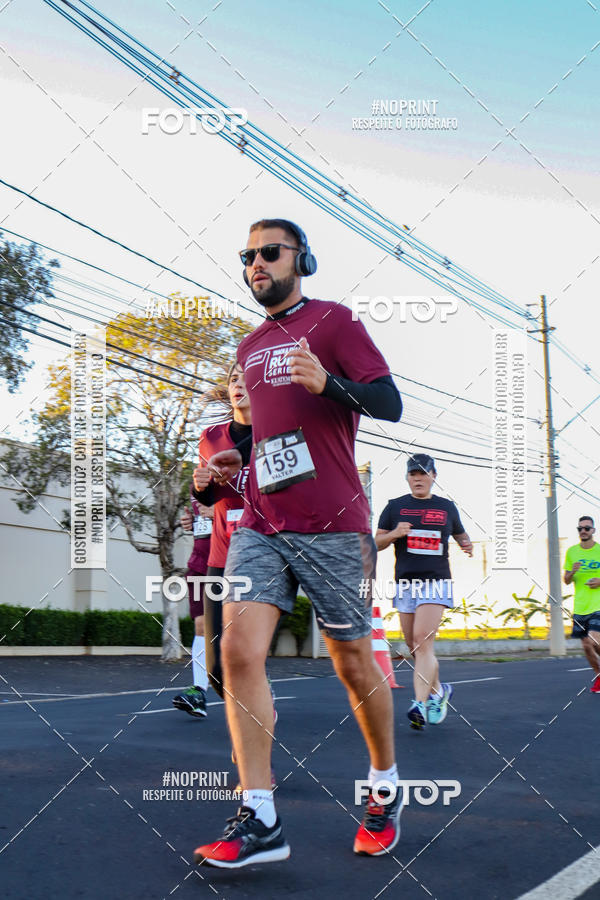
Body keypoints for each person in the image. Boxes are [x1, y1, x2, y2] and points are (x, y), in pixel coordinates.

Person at [193, 218, 403, 869]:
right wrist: (231, 463)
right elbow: (264, 440)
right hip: (261, 524)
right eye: (247, 254)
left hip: (333, 523)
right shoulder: (249, 345)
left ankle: (386, 785)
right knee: (237, 650)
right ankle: (260, 816)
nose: (256, 262)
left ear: (300, 259)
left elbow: (389, 402)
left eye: (269, 252)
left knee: (350, 663)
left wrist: (329, 384)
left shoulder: (335, 322)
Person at [375, 453, 473, 730]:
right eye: (413, 474)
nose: (418, 478)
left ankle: (419, 704)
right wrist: (395, 534)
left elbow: (460, 535)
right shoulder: (395, 507)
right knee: (414, 647)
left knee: (422, 640)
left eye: (423, 473)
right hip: (406, 583)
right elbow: (376, 542)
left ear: (433, 476)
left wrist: (467, 545)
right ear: (407, 477)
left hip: (436, 581)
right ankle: (439, 691)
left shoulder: (446, 508)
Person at [171, 497, 213, 717]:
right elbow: (201, 523)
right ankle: (199, 693)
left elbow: (259, 513)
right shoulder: (198, 484)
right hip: (199, 563)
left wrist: (221, 515)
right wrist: (191, 521)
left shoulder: (241, 475)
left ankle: (260, 682)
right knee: (201, 625)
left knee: (237, 629)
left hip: (231, 561)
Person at [563, 515, 600, 693]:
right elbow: (566, 580)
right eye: (580, 529)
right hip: (580, 607)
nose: (583, 531)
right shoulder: (572, 552)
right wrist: (572, 572)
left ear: (593, 530)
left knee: (593, 640)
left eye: (587, 528)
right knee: (587, 646)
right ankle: (599, 676)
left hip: (598, 605)